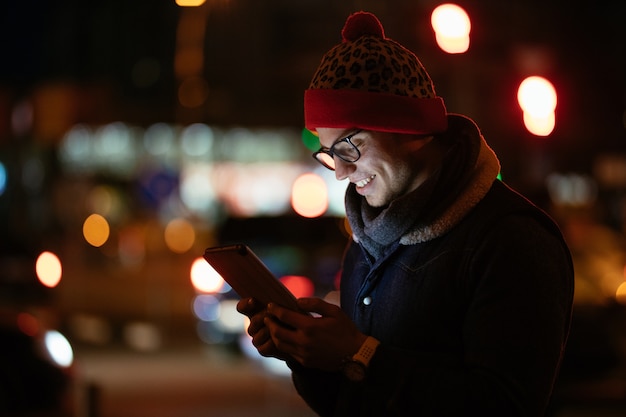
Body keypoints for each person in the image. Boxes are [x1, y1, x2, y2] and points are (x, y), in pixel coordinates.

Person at [237, 11, 574, 417]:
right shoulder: (366, 238)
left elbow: (505, 406)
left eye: (349, 147)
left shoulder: (511, 238)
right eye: (328, 154)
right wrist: (306, 353)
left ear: (409, 130)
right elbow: (350, 402)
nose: (341, 172)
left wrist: (358, 354)